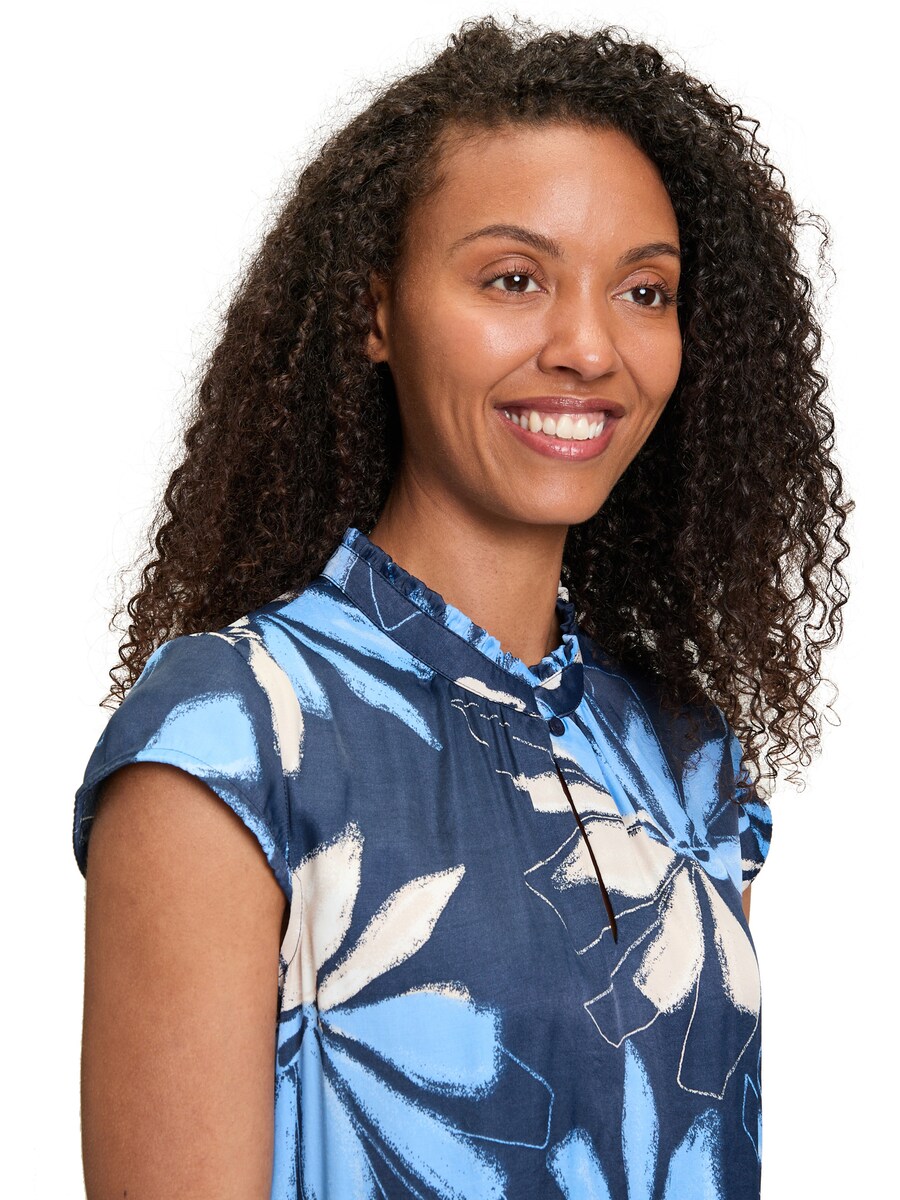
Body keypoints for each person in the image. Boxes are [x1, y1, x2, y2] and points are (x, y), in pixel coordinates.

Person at [72, 16, 852, 1200]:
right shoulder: (235, 736)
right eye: (513, 279)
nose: (589, 346)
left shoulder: (686, 760)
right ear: (375, 313)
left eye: (644, 291)